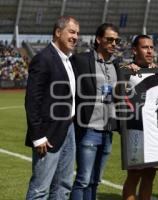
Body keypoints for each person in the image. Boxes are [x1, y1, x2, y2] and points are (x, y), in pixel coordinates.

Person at [25, 16, 79, 199]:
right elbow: (32, 100)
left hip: (69, 128)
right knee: (40, 189)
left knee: (63, 186)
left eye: (77, 33)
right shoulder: (43, 58)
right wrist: (38, 136)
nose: (76, 37)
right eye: (72, 32)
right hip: (48, 134)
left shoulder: (69, 60)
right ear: (58, 32)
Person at [70, 23, 120, 200]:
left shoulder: (117, 65)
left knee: (95, 181)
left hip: (108, 131)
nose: (114, 43)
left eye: (117, 40)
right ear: (99, 39)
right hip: (89, 129)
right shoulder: (81, 60)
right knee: (83, 179)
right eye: (110, 39)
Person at [122, 35, 158, 200]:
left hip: (155, 131)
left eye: (151, 47)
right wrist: (126, 73)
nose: (149, 50)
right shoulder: (127, 71)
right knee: (134, 174)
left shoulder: (157, 71)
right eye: (145, 47)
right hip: (135, 130)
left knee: (150, 174)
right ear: (135, 50)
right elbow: (118, 97)